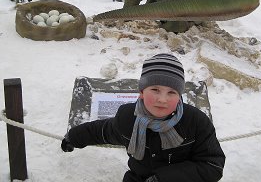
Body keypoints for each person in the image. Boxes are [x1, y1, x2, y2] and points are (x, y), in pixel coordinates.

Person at [61, 53, 225, 182]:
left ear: (179, 95)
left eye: (171, 92)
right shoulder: (128, 118)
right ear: (141, 92)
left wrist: (164, 178)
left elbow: (212, 165)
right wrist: (73, 137)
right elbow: (103, 131)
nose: (162, 99)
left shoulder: (195, 121)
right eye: (155, 89)